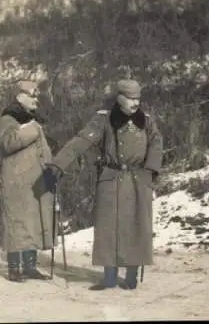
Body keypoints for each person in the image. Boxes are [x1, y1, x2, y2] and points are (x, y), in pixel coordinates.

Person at [45, 79, 163, 290]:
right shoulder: (104, 120)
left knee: (136, 227)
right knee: (108, 228)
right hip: (111, 179)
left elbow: (156, 144)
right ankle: (109, 277)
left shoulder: (147, 121)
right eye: (130, 99)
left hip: (138, 179)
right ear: (120, 99)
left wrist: (151, 171)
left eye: (138, 98)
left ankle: (131, 276)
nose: (135, 103)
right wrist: (57, 166)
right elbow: (80, 142)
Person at [0, 80, 56, 282]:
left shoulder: (31, 119)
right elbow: (8, 143)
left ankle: (30, 267)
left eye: (36, 96)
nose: (35, 99)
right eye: (32, 95)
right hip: (17, 180)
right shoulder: (9, 117)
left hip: (34, 179)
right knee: (17, 223)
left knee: (33, 222)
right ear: (19, 97)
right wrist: (32, 129)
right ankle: (14, 269)